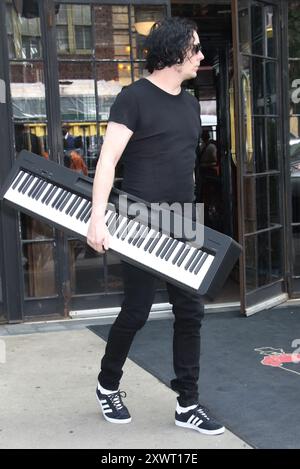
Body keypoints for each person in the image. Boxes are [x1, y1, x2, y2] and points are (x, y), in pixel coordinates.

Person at [87, 17, 225, 435]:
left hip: (184, 219)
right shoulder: (134, 98)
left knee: (191, 311)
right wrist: (97, 219)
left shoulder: (188, 101)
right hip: (140, 217)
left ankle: (188, 403)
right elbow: (107, 161)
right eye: (196, 49)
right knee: (137, 310)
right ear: (174, 51)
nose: (201, 57)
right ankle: (107, 383)